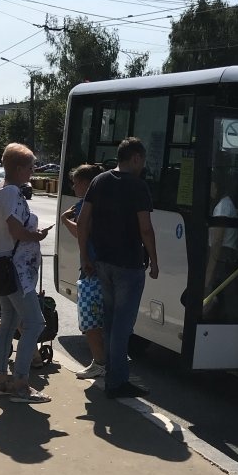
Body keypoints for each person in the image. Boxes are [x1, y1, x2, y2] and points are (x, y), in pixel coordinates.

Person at [77, 137, 158, 400]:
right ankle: (117, 382)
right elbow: (145, 228)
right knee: (123, 325)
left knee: (111, 321)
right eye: (142, 160)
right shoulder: (138, 187)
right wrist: (155, 261)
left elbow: (83, 220)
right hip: (129, 265)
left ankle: (113, 374)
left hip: (103, 263)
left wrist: (84, 257)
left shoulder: (100, 181)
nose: (143, 165)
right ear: (135, 158)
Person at [0, 143, 53, 404]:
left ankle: (0, 379)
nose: (33, 171)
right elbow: (16, 231)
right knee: (35, 323)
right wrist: (36, 235)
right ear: (17, 168)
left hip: (3, 267)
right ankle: (21, 384)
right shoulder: (12, 193)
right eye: (30, 166)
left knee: (9, 322)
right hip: (16, 271)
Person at [61, 163, 106, 380]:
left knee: (90, 319)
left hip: (90, 268)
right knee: (106, 319)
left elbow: (80, 232)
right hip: (108, 268)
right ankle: (108, 361)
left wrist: (64, 220)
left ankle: (99, 363)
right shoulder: (107, 203)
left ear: (87, 184)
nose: (73, 186)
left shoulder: (83, 206)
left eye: (76, 182)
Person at [204, 167, 238, 318]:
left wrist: (208, 273)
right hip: (224, 258)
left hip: (221, 259)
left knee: (210, 298)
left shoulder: (222, 208)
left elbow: (217, 242)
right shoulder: (226, 204)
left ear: (217, 186)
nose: (210, 189)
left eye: (211, 185)